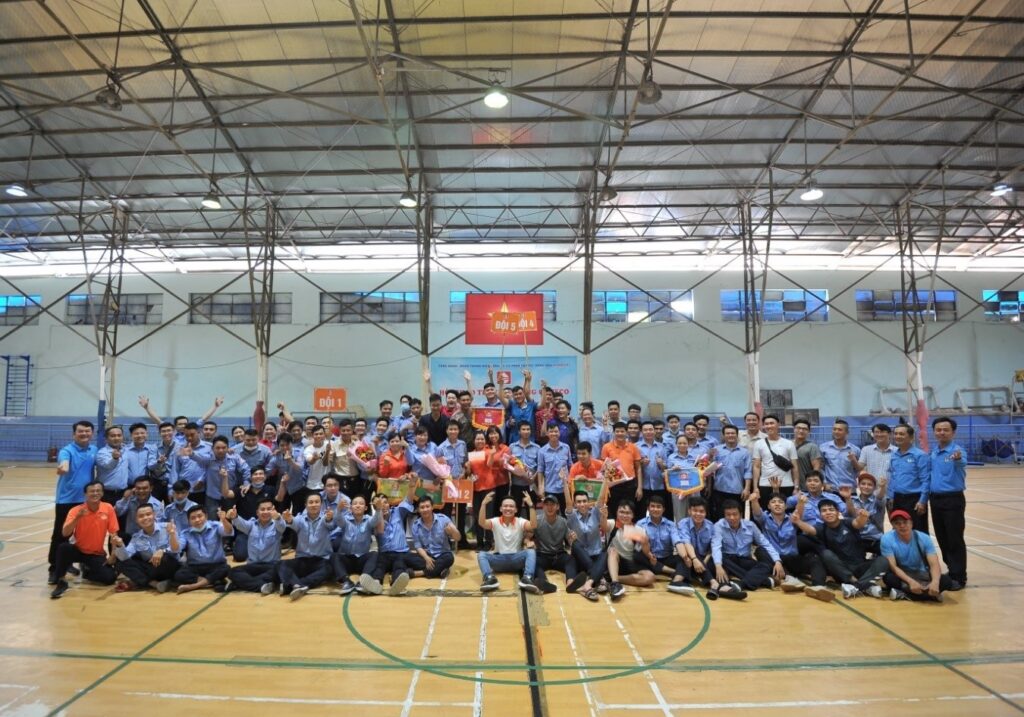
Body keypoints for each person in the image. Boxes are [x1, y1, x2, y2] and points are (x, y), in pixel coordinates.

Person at [790, 497, 887, 599]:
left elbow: (858, 523)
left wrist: (863, 516)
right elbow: (810, 530)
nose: (828, 512)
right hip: (840, 571)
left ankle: (856, 586)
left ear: (838, 512)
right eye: (824, 511)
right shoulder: (822, 528)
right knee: (826, 554)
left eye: (831, 510)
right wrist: (798, 521)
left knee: (883, 560)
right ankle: (861, 584)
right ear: (820, 515)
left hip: (860, 567)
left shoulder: (847, 523)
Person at [749, 493, 832, 602]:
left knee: (815, 560)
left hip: (792, 559)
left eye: (781, 502)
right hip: (774, 560)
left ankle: (818, 587)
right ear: (769, 506)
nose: (777, 504)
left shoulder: (792, 519)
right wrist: (754, 501)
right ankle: (789, 578)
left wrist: (801, 502)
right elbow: (757, 513)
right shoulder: (765, 518)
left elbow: (798, 513)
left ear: (786, 506)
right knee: (760, 551)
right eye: (773, 502)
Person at [50, 481, 121, 599]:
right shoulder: (76, 510)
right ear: (85, 494)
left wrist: (113, 555)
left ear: (102, 493)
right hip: (78, 550)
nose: (95, 493)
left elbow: (114, 533)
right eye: (92, 491)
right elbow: (65, 533)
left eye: (98, 491)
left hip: (96, 554)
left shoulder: (108, 508)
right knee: (64, 547)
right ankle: (61, 580)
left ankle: (87, 571)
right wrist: (78, 518)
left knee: (110, 578)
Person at [49, 420, 97, 585]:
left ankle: (73, 562)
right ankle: (54, 568)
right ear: (74, 434)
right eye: (80, 431)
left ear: (92, 433)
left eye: (87, 431)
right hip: (66, 500)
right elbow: (64, 463)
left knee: (84, 535)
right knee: (61, 535)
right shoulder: (67, 451)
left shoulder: (94, 450)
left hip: (86, 501)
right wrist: (63, 467)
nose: (84, 434)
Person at [673, 496, 741, 599]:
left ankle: (724, 586)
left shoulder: (711, 526)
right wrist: (695, 559)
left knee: (719, 560)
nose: (698, 514)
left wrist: (705, 560)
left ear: (705, 513)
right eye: (695, 511)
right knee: (686, 556)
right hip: (689, 558)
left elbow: (712, 547)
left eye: (701, 511)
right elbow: (686, 543)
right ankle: (713, 583)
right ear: (689, 511)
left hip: (704, 559)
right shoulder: (683, 523)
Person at [359, 482, 419, 596]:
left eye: (385, 502)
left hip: (401, 552)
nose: (384, 505)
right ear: (374, 506)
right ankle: (376, 584)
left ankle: (397, 584)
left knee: (399, 565)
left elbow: (408, 500)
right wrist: (379, 511)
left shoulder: (398, 512)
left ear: (389, 504)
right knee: (379, 566)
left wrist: (412, 486)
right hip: (385, 554)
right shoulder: (373, 520)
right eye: (379, 504)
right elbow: (380, 531)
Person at [929, 416, 968, 589]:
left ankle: (959, 577)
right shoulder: (934, 452)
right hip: (935, 500)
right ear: (934, 432)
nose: (942, 432)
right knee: (942, 537)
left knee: (954, 538)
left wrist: (958, 459)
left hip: (953, 500)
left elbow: (961, 463)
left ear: (953, 432)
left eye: (946, 430)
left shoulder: (957, 451)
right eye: (938, 430)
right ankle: (952, 570)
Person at [881, 510, 953, 602]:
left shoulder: (924, 538)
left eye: (905, 522)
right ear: (893, 526)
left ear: (911, 523)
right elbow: (893, 567)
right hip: (904, 575)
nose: (902, 526)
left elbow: (934, 564)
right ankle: (928, 595)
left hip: (923, 574)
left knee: (946, 581)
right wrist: (911, 582)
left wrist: (935, 582)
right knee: (889, 578)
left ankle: (906, 594)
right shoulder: (887, 539)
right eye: (897, 523)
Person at [476, 492, 541, 594]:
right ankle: (489, 578)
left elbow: (533, 525)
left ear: (516, 510)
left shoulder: (520, 521)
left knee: (531, 552)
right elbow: (482, 523)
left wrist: (531, 505)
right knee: (481, 554)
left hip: (516, 559)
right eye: (505, 506)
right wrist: (483, 504)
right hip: (499, 560)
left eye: (511, 506)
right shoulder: (495, 521)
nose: (508, 508)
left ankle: (527, 578)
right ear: (500, 509)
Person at [275, 493, 337, 600]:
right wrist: (289, 519)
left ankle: (294, 584)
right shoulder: (300, 518)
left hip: (321, 560)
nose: (314, 505)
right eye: (311, 502)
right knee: (281, 564)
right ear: (306, 505)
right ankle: (299, 585)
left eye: (317, 502)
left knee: (330, 569)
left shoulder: (326, 517)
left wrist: (329, 518)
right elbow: (293, 522)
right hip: (302, 559)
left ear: (321, 504)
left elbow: (330, 524)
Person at [711, 499, 780, 594]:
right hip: (728, 560)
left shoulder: (750, 526)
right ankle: (764, 581)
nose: (732, 518)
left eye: (735, 514)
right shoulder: (719, 526)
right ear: (724, 515)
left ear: (741, 514)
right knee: (717, 560)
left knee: (766, 565)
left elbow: (765, 543)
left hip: (745, 559)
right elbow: (716, 547)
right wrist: (718, 566)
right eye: (728, 515)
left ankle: (741, 584)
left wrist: (777, 561)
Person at [113, 504, 180, 593]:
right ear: (136, 520)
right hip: (152, 569)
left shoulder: (167, 527)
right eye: (141, 516)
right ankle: (154, 583)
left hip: (169, 566)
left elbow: (176, 550)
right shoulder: (136, 537)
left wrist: (163, 551)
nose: (145, 518)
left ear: (154, 515)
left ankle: (144, 581)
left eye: (148, 514)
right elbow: (125, 557)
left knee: (165, 558)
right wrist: (120, 545)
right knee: (121, 563)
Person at [227, 498, 286, 593]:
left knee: (280, 571)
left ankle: (242, 584)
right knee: (233, 572)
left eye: (269, 509)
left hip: (271, 566)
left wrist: (278, 517)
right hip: (253, 565)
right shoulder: (251, 524)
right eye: (262, 509)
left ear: (273, 510)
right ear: (257, 512)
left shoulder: (277, 525)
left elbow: (282, 526)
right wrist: (235, 516)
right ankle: (262, 585)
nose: (265, 512)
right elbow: (241, 524)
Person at [562, 482, 609, 602]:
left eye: (584, 501)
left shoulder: (595, 513)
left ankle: (586, 585)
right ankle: (598, 578)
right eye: (578, 502)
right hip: (581, 556)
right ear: (575, 504)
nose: (582, 504)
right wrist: (564, 482)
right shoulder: (572, 516)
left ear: (588, 502)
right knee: (574, 547)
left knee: (605, 554)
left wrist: (606, 478)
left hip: (595, 555)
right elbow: (567, 503)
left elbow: (601, 498)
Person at [604, 499, 657, 599]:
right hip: (614, 561)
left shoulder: (638, 529)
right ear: (617, 512)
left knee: (650, 577)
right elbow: (603, 525)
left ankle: (613, 578)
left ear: (633, 515)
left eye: (628, 513)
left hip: (631, 562)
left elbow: (645, 551)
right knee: (613, 550)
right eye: (621, 512)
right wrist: (603, 515)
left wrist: (649, 554)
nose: (624, 515)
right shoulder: (612, 524)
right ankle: (615, 584)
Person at [636, 494, 689, 593]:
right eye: (652, 506)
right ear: (648, 508)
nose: (655, 509)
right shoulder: (640, 524)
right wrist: (649, 555)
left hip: (666, 557)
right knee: (637, 555)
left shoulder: (670, 525)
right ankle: (673, 572)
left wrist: (685, 556)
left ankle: (676, 582)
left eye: (658, 507)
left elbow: (677, 541)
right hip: (649, 558)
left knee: (684, 558)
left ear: (663, 509)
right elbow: (639, 545)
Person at [174, 505, 231, 594]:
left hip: (216, 565)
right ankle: (210, 581)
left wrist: (224, 520)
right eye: (193, 518)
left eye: (200, 516)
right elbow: (177, 549)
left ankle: (193, 586)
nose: (197, 520)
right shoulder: (185, 533)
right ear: (189, 521)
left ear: (206, 516)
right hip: (195, 567)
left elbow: (229, 531)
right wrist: (172, 535)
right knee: (179, 574)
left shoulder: (216, 526)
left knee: (226, 568)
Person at [888, 423, 931, 534]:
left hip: (914, 500)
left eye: (901, 434)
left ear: (911, 437)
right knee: (899, 531)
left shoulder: (920, 455)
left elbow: (926, 479)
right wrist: (891, 496)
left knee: (918, 531)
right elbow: (893, 477)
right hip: (898, 499)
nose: (898, 436)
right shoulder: (894, 455)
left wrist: (922, 501)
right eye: (896, 434)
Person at [332, 495, 378, 595]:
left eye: (361, 504)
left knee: (374, 554)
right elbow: (338, 520)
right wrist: (339, 509)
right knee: (334, 556)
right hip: (347, 558)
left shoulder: (369, 520)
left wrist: (378, 510)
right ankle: (346, 581)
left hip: (361, 559)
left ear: (365, 508)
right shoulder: (346, 520)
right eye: (355, 504)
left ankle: (363, 581)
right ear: (350, 508)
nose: (358, 506)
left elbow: (375, 521)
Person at [408, 495, 460, 580]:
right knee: (407, 557)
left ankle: (418, 573)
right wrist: (426, 558)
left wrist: (453, 531)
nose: (425, 509)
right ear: (418, 510)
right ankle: (440, 570)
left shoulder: (443, 519)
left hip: (442, 555)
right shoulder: (416, 525)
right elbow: (418, 546)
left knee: (449, 558)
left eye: (427, 506)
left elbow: (458, 538)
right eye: (422, 507)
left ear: (432, 507)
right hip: (427, 555)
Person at [751, 414, 799, 505]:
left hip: (786, 484)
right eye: (766, 424)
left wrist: (796, 487)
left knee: (786, 511)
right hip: (765, 484)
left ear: (778, 425)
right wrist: (755, 487)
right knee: (766, 510)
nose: (769, 426)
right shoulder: (758, 444)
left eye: (771, 423)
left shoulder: (789, 443)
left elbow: (795, 467)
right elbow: (756, 467)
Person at [232, 466, 277, 561]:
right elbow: (227, 494)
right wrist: (224, 477)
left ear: (265, 476)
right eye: (255, 474)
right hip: (246, 529)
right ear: (251, 477)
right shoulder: (243, 490)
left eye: (261, 474)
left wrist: (283, 483)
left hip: (265, 529)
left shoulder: (271, 490)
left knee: (266, 555)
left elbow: (279, 499)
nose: (258, 476)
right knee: (239, 556)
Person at [708, 425, 752, 521]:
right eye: (727, 433)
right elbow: (709, 469)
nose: (730, 435)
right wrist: (710, 458)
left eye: (733, 433)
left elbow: (748, 471)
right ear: (723, 436)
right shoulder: (716, 450)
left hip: (737, 491)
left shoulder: (745, 452)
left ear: (737, 435)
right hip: (719, 490)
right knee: (719, 517)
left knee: (737, 518)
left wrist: (747, 489)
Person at [600, 422, 643, 512]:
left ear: (626, 432)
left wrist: (639, 487)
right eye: (617, 431)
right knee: (613, 510)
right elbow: (603, 468)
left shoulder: (633, 447)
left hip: (630, 485)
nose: (620, 433)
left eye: (622, 431)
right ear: (613, 432)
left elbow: (638, 468)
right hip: (613, 484)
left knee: (628, 510)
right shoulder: (606, 447)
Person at [842, 471, 887, 555]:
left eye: (870, 485)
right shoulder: (852, 500)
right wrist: (847, 498)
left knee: (885, 558)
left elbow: (880, 497)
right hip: (858, 539)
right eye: (863, 484)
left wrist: (883, 487)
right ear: (858, 486)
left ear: (874, 488)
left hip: (876, 538)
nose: (866, 486)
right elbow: (850, 516)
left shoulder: (877, 501)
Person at [638, 421, 670, 519]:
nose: (648, 432)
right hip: (642, 486)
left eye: (650, 429)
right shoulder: (635, 447)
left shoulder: (662, 447)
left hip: (658, 486)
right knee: (640, 513)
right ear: (641, 432)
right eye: (645, 430)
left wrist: (662, 464)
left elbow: (666, 468)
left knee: (660, 513)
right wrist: (641, 464)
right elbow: (633, 467)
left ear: (654, 431)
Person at [537, 422, 571, 512]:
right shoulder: (542, 451)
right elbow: (540, 470)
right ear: (547, 433)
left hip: (564, 488)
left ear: (559, 433)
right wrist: (540, 487)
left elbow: (570, 465)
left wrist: (570, 482)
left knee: (566, 513)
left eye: (556, 431)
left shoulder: (566, 448)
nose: (554, 434)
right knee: (551, 513)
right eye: (551, 431)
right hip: (550, 488)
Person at [820, 419, 862, 491]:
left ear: (847, 432)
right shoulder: (823, 448)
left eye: (840, 430)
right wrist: (824, 483)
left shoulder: (855, 450)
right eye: (834, 429)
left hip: (849, 489)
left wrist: (854, 460)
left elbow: (859, 470)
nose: (836, 432)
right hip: (831, 489)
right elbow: (821, 468)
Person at [96, 425, 131, 505]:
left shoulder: (126, 449)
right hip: (107, 494)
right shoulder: (102, 453)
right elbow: (108, 465)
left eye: (119, 435)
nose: (116, 438)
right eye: (113, 436)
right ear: (106, 439)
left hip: (124, 493)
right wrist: (114, 458)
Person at [792, 418, 823, 489]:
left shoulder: (812, 447)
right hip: (788, 485)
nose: (801, 431)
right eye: (798, 428)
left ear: (809, 431)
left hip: (805, 488)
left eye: (804, 429)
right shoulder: (787, 445)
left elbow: (816, 469)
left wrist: (812, 484)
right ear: (794, 429)